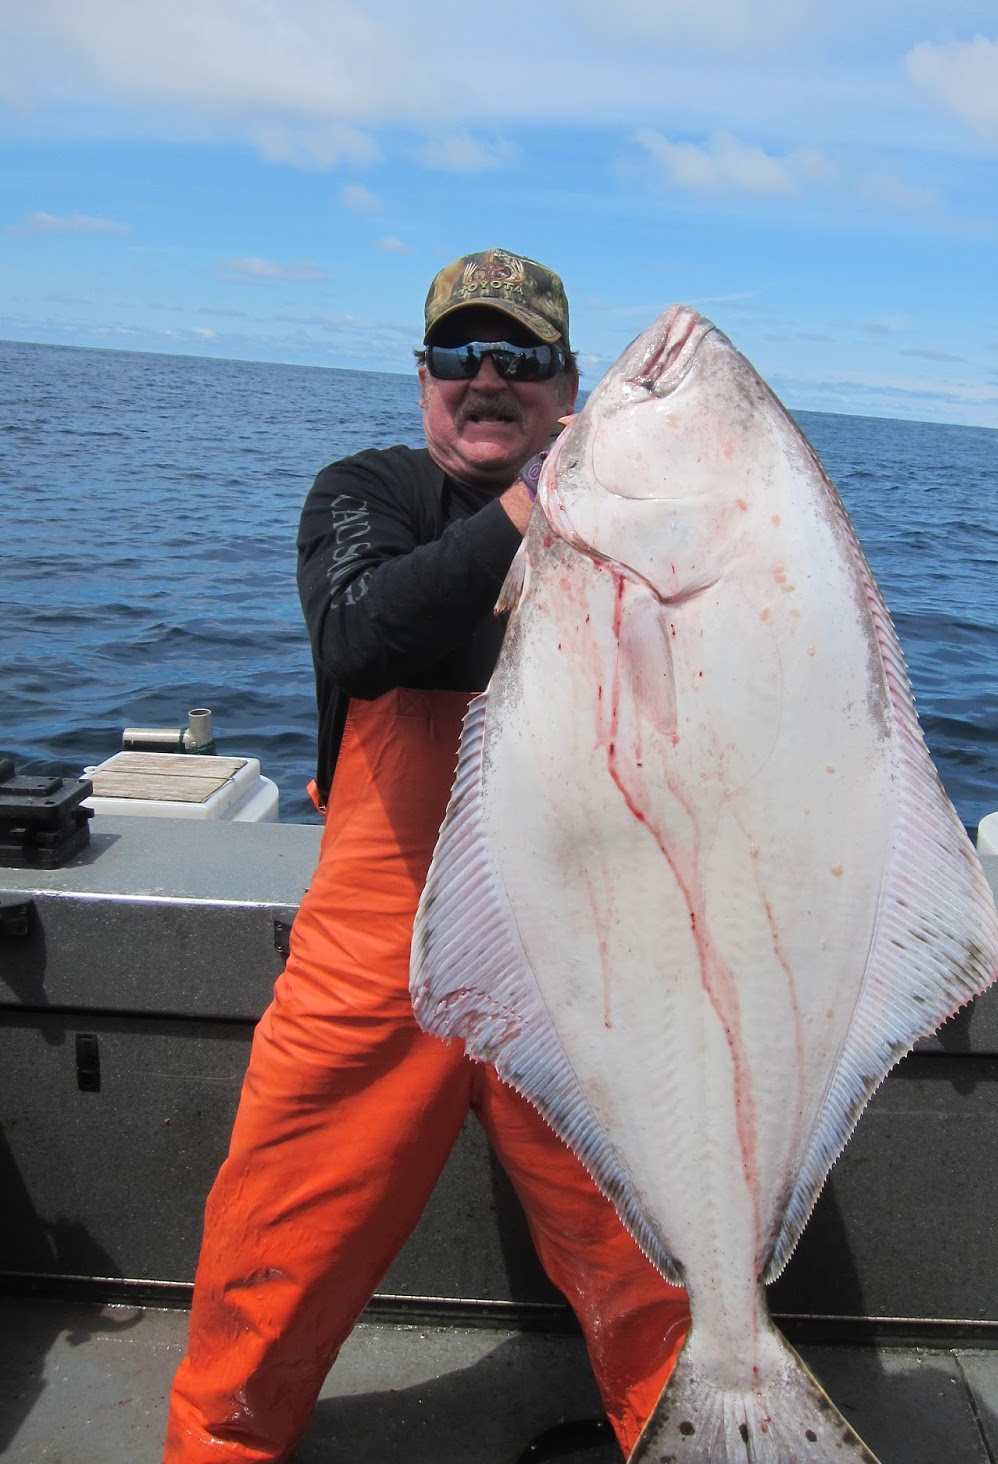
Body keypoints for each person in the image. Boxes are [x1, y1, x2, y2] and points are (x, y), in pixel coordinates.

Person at [162, 249, 689, 1462]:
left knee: (641, 1246)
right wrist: (532, 508)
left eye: (523, 358)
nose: (488, 377)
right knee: (276, 1239)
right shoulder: (368, 490)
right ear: (422, 377)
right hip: (374, 947)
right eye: (461, 353)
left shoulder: (635, 534)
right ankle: (221, 1446)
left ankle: (681, 1435)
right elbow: (362, 635)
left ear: (571, 387)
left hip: (575, 948)